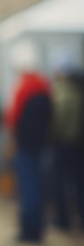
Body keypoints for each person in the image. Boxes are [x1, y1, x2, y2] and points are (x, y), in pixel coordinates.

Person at [4, 40, 52, 243]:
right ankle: (37, 228)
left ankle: (29, 230)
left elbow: (12, 117)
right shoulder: (45, 86)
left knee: (28, 187)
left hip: (24, 145)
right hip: (40, 144)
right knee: (38, 185)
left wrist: (13, 141)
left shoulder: (23, 88)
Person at [48, 57, 84, 231]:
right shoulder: (79, 91)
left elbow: (58, 121)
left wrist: (51, 136)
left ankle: (63, 220)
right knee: (79, 182)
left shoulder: (60, 92)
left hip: (63, 144)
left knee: (60, 182)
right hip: (78, 144)